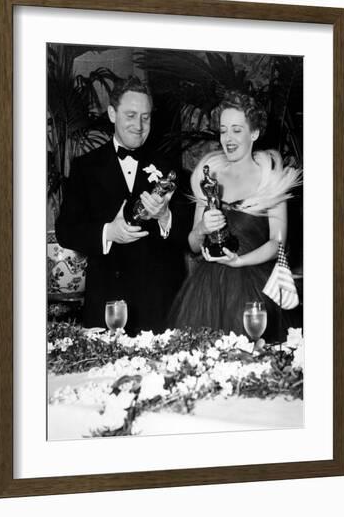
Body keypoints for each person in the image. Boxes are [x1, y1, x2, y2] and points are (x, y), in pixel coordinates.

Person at [55, 76, 192, 334]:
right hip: (108, 304)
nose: (139, 125)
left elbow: (190, 236)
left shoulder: (170, 167)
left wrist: (165, 217)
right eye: (130, 115)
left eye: (146, 117)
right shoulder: (85, 167)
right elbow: (65, 230)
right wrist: (109, 232)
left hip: (161, 305)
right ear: (112, 114)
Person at [169, 90, 302, 343]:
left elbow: (278, 243)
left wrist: (240, 261)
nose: (228, 138)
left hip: (255, 288)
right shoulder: (208, 176)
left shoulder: (270, 177)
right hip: (207, 291)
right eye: (223, 130)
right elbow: (193, 244)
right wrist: (201, 230)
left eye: (237, 130)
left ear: (254, 133)